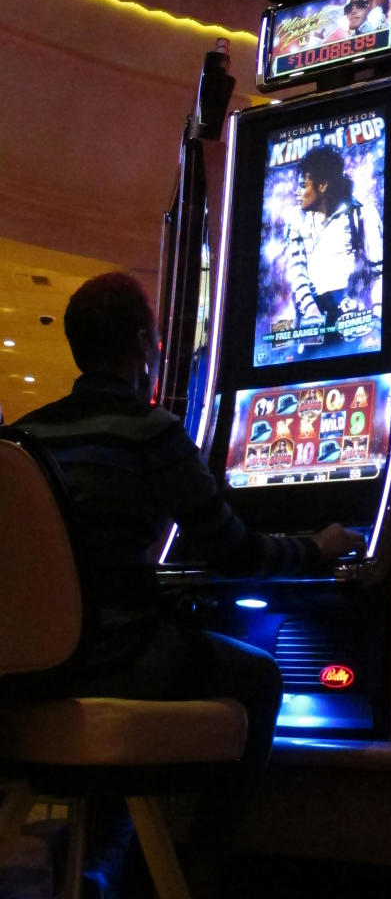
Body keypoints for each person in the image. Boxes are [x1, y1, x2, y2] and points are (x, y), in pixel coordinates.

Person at [9, 272, 366, 894]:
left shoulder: (22, 437)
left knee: (164, 642)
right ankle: (201, 870)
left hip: (25, 676)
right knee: (258, 675)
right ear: (146, 345)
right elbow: (235, 551)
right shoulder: (150, 431)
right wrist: (318, 545)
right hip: (112, 660)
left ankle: (100, 857)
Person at [284, 144, 383, 343]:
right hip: (313, 318)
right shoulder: (295, 220)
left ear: (323, 185)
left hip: (355, 318)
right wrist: (310, 309)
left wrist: (377, 315)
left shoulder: (362, 214)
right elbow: (296, 270)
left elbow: (379, 272)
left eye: (303, 185)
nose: (297, 191)